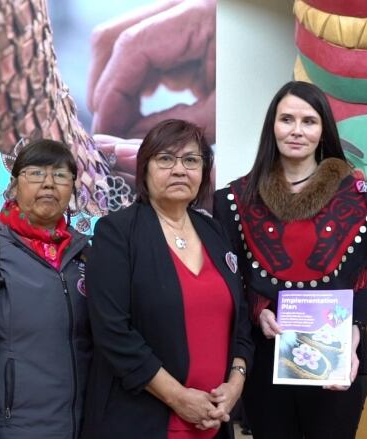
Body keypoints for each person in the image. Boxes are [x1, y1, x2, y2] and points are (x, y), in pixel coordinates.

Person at [213, 81, 367, 439]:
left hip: (338, 358)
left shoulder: (361, 203)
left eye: (308, 121)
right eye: (286, 119)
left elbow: (363, 282)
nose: (296, 131)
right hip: (262, 358)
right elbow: (230, 282)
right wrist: (258, 309)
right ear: (272, 127)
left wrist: (353, 337)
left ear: (323, 129)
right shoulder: (233, 200)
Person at [81, 119, 253, 439]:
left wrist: (236, 382)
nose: (179, 170)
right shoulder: (117, 233)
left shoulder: (214, 232)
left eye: (191, 160)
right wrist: (178, 397)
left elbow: (240, 319)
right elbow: (113, 332)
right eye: (165, 159)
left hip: (214, 419)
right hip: (142, 419)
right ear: (144, 169)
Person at [0, 140, 92, 438]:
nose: (49, 184)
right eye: (36, 173)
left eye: (61, 175)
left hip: (80, 424)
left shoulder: (83, 253)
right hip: (14, 428)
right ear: (14, 186)